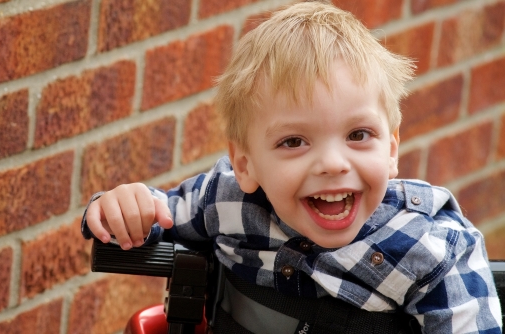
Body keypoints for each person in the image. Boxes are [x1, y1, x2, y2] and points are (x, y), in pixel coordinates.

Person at [81, 1, 503, 333]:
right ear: (244, 165)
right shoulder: (226, 201)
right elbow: (151, 216)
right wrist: (118, 207)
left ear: (391, 149)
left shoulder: (430, 250)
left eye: (358, 135)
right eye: (294, 141)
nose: (334, 163)